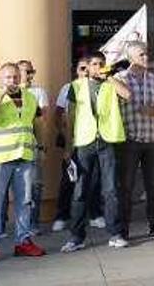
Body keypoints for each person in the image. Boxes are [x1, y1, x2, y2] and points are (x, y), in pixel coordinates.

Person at [60, 53, 132, 252]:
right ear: (88, 67)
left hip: (108, 140)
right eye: (94, 64)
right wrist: (68, 146)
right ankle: (76, 237)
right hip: (84, 141)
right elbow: (70, 117)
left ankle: (116, 234)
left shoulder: (111, 84)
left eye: (101, 64)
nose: (98, 67)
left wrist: (109, 76)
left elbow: (127, 95)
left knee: (111, 190)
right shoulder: (76, 86)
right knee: (80, 190)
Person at [0, 63, 46, 264]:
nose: (13, 81)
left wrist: (40, 147)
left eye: (16, 77)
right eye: (8, 77)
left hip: (24, 156)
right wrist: (1, 96)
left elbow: (37, 124)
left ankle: (23, 241)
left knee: (24, 202)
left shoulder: (30, 97)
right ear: (1, 79)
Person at [116, 41, 154, 239]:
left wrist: (153, 110)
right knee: (126, 186)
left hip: (153, 139)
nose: (146, 58)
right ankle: (123, 228)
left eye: (146, 54)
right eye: (141, 55)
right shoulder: (119, 79)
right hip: (129, 140)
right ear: (130, 58)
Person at [52, 59, 103, 232]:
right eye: (82, 68)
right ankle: (62, 216)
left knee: (94, 180)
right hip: (73, 141)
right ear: (76, 71)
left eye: (88, 68)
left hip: (92, 141)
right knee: (69, 180)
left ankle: (95, 214)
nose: (86, 71)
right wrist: (65, 138)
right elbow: (59, 115)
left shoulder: (100, 86)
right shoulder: (68, 88)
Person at [17, 59, 50, 234]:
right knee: (15, 186)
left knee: (35, 186)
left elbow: (43, 120)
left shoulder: (38, 92)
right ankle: (13, 223)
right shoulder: (10, 92)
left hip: (33, 145)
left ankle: (33, 224)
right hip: (12, 147)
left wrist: (42, 147)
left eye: (32, 71)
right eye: (26, 71)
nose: (30, 75)